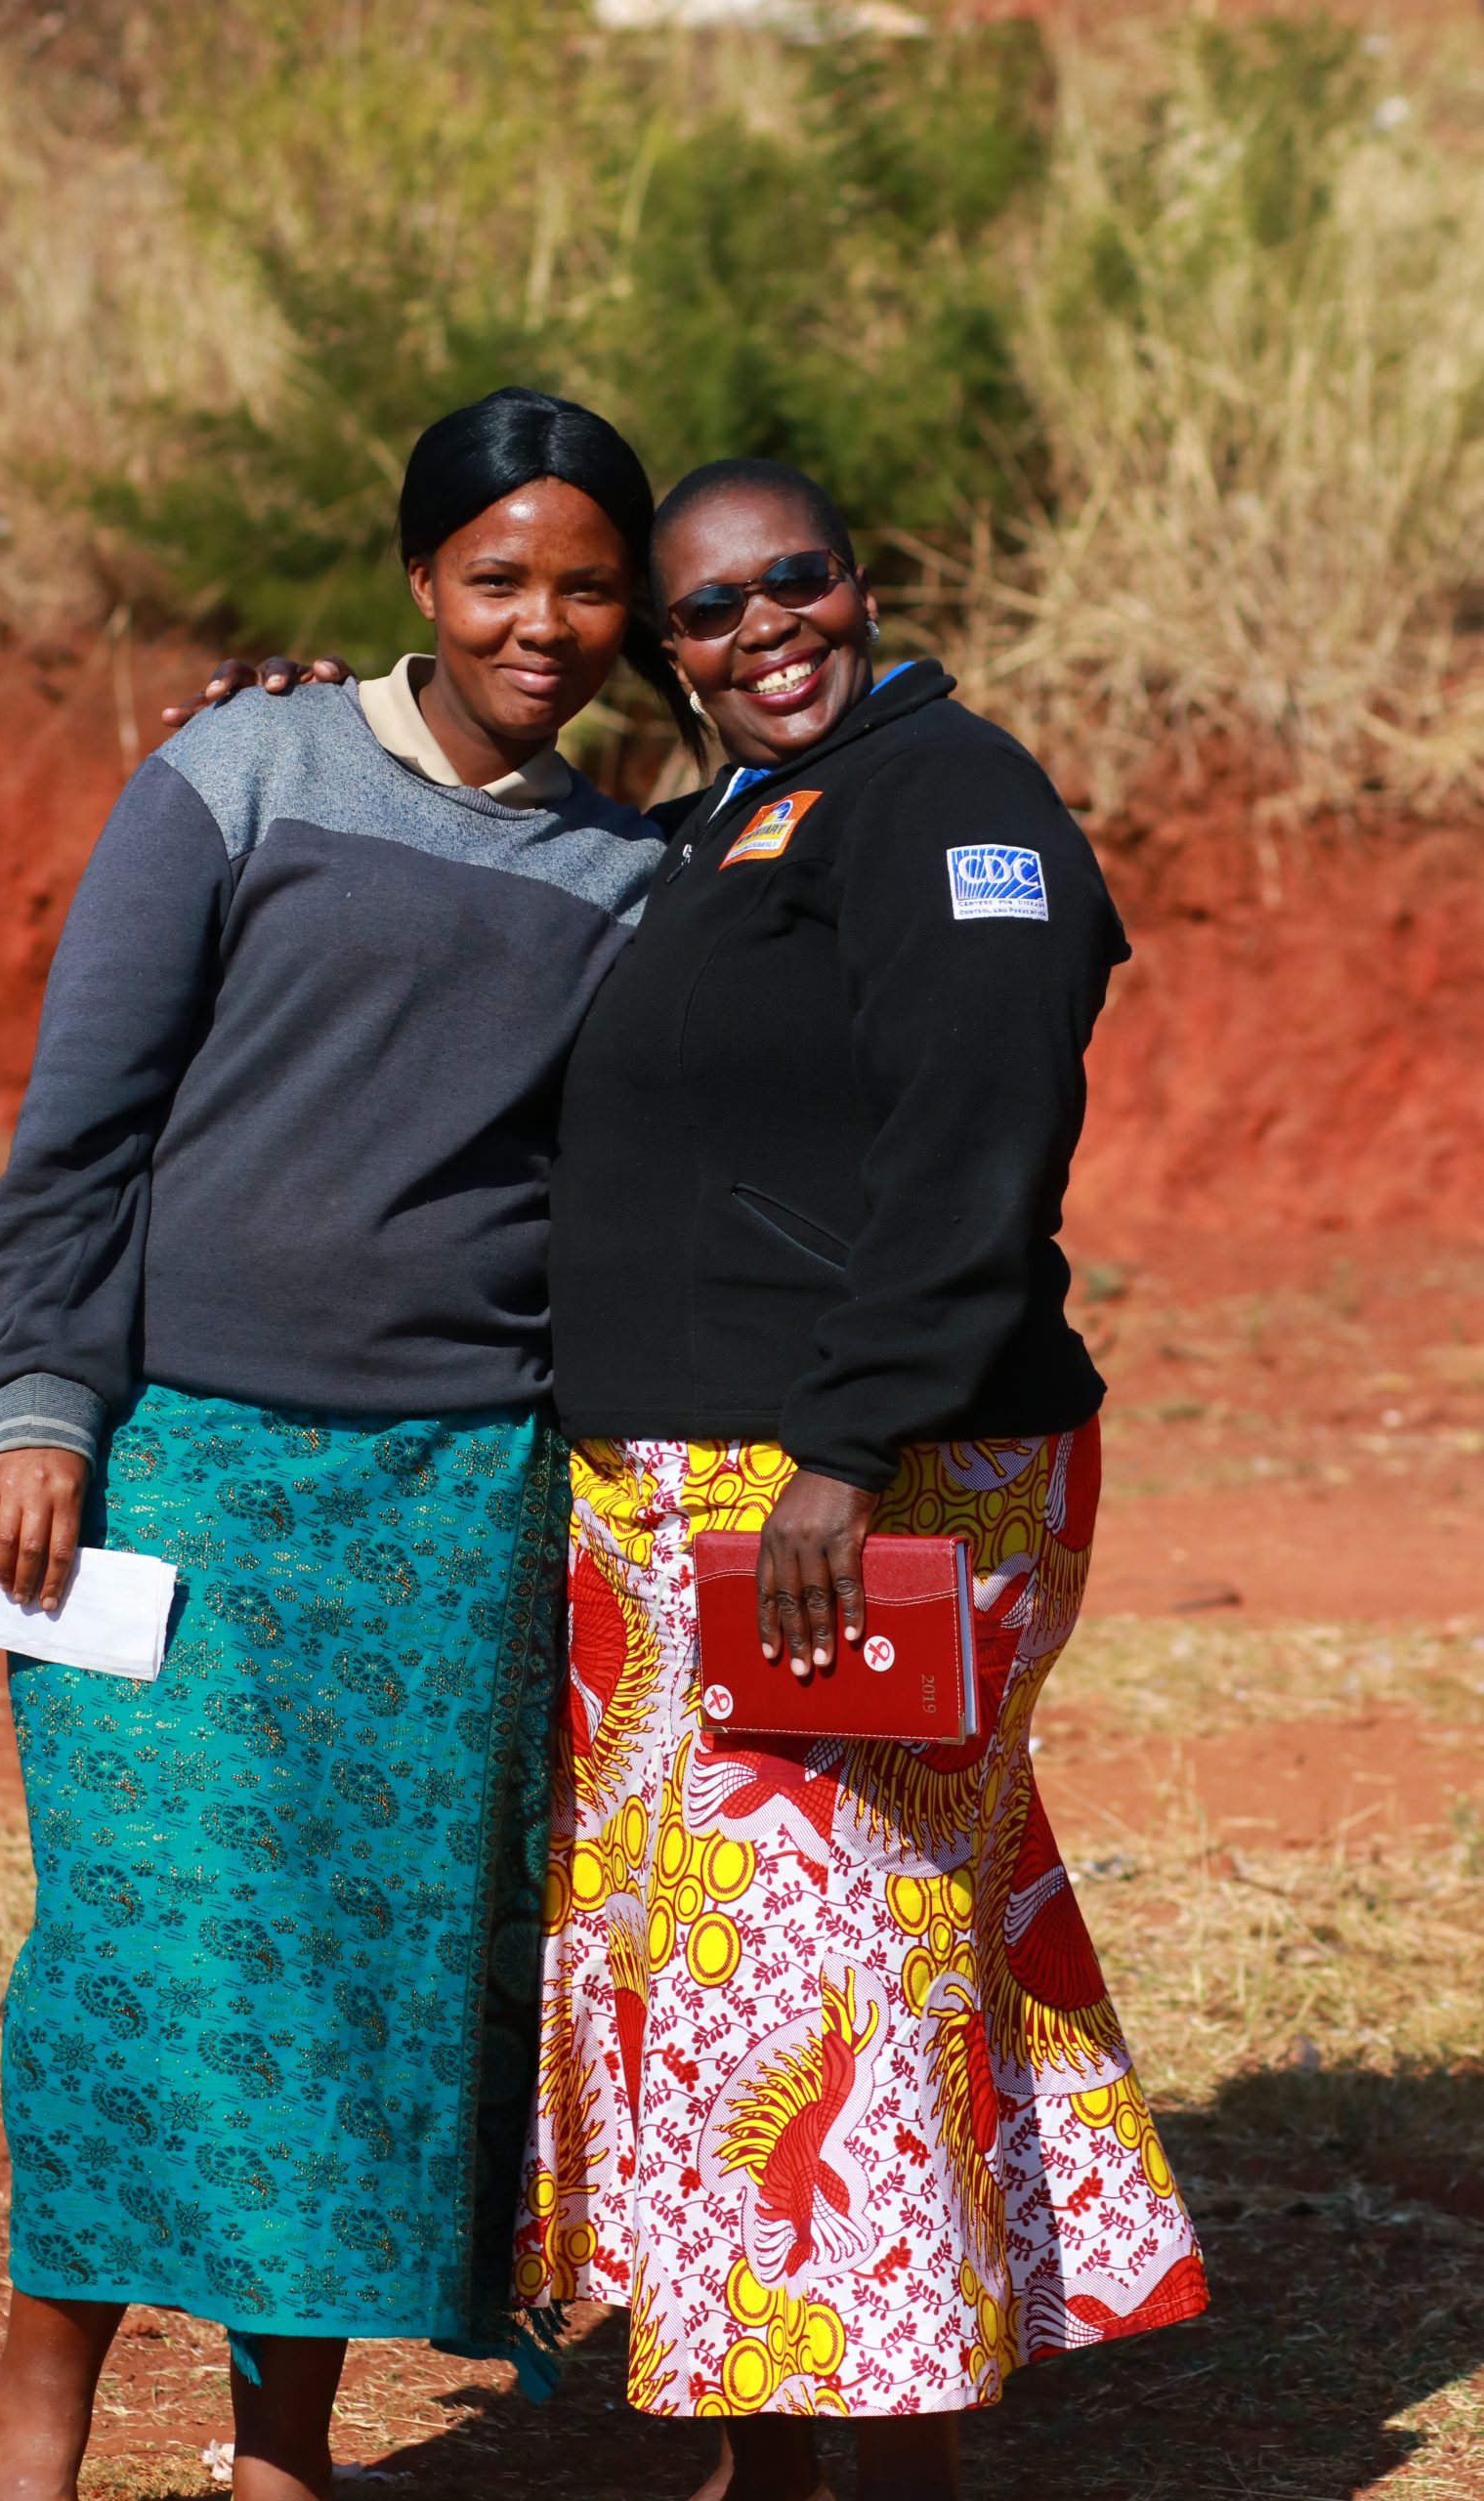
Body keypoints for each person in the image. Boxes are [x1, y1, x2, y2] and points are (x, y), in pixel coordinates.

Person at [0, 386, 697, 2501]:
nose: (537, 620)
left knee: (348, 2001)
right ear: (415, 580)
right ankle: (37, 2422)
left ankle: (285, 2449)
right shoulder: (237, 768)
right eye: (495, 576)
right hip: (176, 1478)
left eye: (581, 584)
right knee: (132, 1962)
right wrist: (42, 1410)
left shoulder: (628, 867)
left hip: (448, 1514)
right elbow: (84, 1123)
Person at [510, 459, 1209, 2501]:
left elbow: (974, 1140)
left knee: (826, 1956)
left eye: (786, 586)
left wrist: (838, 1448)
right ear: (671, 654)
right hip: (701, 1484)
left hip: (847, 1479)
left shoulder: (953, 799)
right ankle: (785, 2414)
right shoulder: (743, 811)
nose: (760, 634)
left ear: (858, 581)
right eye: (707, 616)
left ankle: (867, 2436)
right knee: (759, 1954)